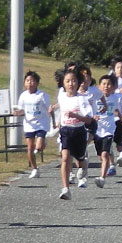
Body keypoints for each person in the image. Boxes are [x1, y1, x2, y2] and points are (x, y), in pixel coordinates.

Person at [50, 70, 95, 198]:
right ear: (63, 84)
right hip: (65, 131)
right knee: (65, 157)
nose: (71, 84)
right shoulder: (61, 96)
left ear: (79, 82)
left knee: (80, 160)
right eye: (67, 81)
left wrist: (75, 115)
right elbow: (62, 106)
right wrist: (53, 111)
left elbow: (89, 120)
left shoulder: (82, 99)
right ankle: (65, 189)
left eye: (74, 81)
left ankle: (84, 165)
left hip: (79, 132)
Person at [92, 74, 122, 187]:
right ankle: (110, 163)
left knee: (104, 155)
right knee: (101, 155)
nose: (106, 86)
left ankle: (102, 178)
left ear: (113, 87)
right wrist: (93, 116)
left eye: (109, 84)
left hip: (109, 129)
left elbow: (119, 109)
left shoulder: (115, 98)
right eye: (103, 84)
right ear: (99, 86)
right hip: (97, 129)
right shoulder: (94, 98)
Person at [13, 71, 52, 179]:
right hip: (29, 124)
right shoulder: (23, 96)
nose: (30, 83)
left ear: (37, 83)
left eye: (32, 81)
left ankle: (42, 143)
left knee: (38, 147)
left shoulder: (42, 95)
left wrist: (52, 116)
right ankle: (35, 169)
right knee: (30, 148)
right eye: (27, 81)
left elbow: (49, 108)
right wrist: (17, 113)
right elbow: (22, 110)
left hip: (41, 124)